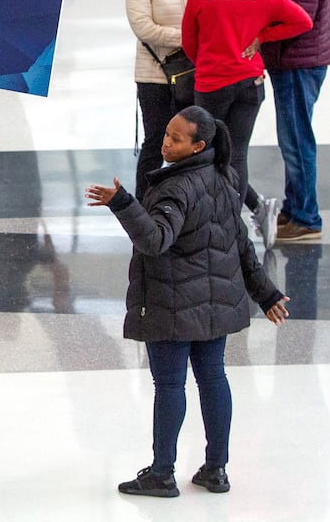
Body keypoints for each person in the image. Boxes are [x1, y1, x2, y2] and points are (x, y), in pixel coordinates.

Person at [85, 107, 289, 499]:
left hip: (172, 305)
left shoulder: (175, 188)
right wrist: (266, 294)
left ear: (198, 146)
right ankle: (217, 468)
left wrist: (124, 204)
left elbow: (156, 240)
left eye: (176, 139)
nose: (165, 141)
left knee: (170, 386)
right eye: (166, 133)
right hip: (215, 306)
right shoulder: (227, 178)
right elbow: (240, 243)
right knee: (213, 379)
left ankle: (162, 473)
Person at [181, 0, 312, 249]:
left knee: (207, 152)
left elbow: (188, 41)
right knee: (237, 154)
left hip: (212, 84)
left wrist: (208, 62)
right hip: (250, 84)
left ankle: (215, 222)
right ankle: (237, 223)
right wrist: (262, 38)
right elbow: (302, 21)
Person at [243, 0, 330, 243]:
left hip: (300, 63)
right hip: (293, 61)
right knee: (292, 139)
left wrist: (259, 37)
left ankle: (307, 218)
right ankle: (296, 210)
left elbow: (300, 21)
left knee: (296, 141)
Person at [125, 0, 205, 199]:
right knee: (156, 142)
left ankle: (187, 202)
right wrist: (188, 37)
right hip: (154, 76)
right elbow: (142, 27)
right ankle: (142, 208)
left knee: (192, 144)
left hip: (191, 73)